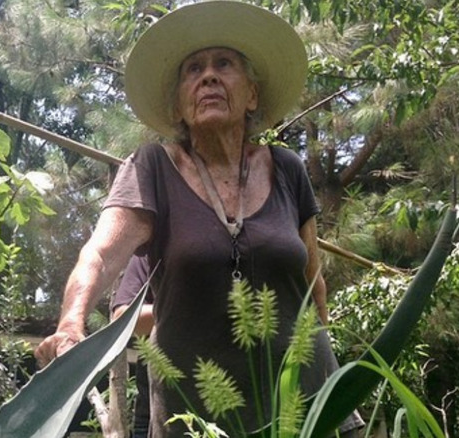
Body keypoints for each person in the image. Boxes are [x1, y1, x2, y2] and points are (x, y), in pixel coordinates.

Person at [35, 1, 364, 437]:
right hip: (195, 411)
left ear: (252, 95)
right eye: (193, 69)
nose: (208, 76)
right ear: (177, 107)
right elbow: (100, 254)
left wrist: (327, 371)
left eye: (223, 64)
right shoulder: (152, 168)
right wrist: (71, 324)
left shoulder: (288, 169)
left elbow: (312, 281)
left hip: (301, 404)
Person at [110, 255, 155, 438]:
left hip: (243, 412)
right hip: (155, 416)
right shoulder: (150, 253)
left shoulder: (248, 242)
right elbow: (124, 318)